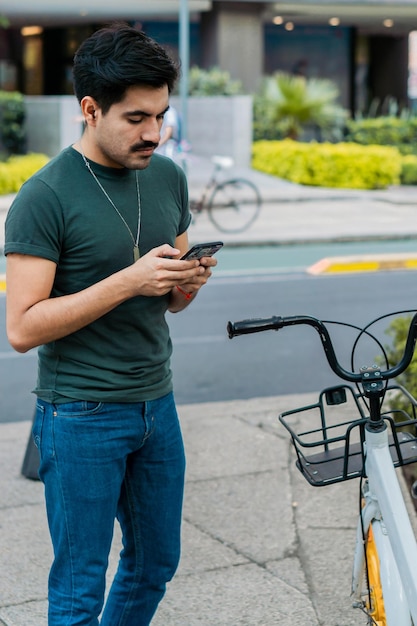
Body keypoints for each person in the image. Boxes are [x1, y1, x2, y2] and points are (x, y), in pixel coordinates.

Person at [4, 23, 217, 626]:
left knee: (154, 565)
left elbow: (169, 301)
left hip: (157, 404)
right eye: (136, 119)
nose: (154, 132)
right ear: (90, 109)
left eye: (162, 115)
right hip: (80, 415)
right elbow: (21, 328)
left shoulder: (168, 176)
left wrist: (184, 286)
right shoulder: (44, 196)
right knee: (78, 589)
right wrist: (129, 280)